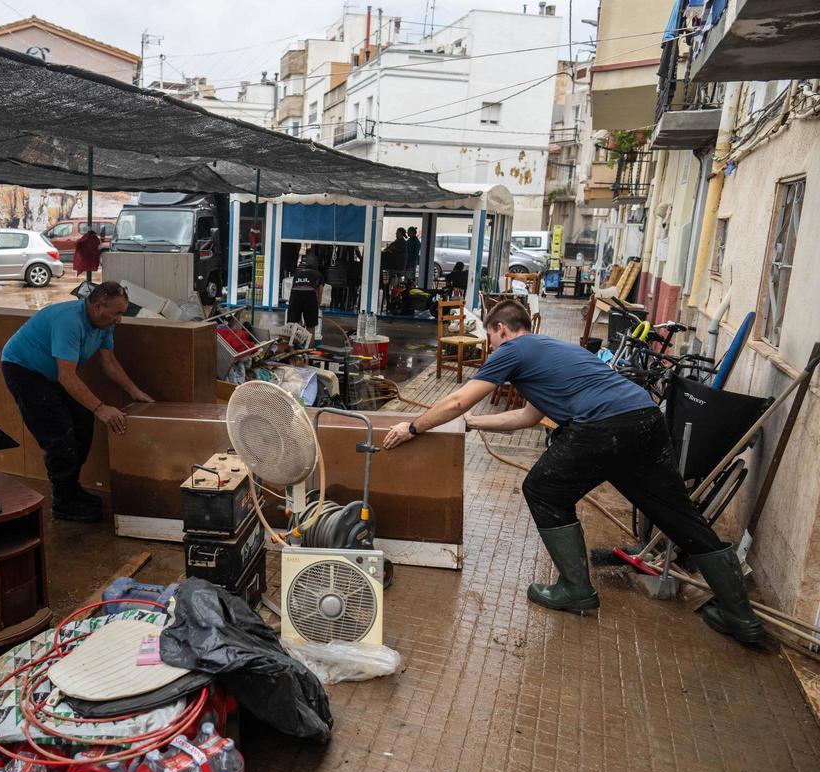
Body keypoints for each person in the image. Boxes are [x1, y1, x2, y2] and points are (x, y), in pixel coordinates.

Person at [382, 300, 763, 644]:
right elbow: (528, 417)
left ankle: (575, 588)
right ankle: (740, 616)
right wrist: (474, 423)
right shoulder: (554, 350)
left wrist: (413, 427)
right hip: (646, 420)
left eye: (491, 338)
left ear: (501, 329)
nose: (492, 347)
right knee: (677, 514)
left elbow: (457, 400)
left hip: (603, 428)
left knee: (543, 490)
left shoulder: (513, 349)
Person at [0, 281, 153, 523]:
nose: (120, 320)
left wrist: (135, 392)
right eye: (117, 313)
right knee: (59, 436)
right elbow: (67, 376)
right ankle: (63, 502)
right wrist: (101, 408)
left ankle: (70, 488)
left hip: (52, 374)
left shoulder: (104, 324)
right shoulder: (69, 321)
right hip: (24, 370)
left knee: (83, 421)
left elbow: (109, 362)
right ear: (98, 306)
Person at [287, 248, 325, 334]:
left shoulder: (297, 274)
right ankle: (310, 343)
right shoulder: (318, 274)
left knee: (294, 324)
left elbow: (293, 291)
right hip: (310, 296)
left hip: (295, 295)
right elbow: (320, 293)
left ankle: (293, 341)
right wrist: (317, 305)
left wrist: (298, 318)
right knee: (310, 326)